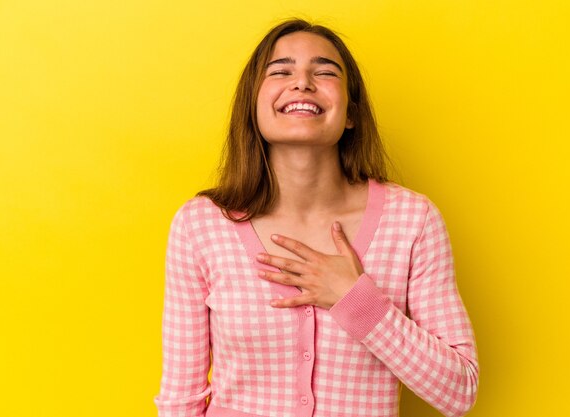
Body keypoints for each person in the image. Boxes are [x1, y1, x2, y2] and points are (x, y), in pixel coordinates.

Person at [154, 18, 478, 417]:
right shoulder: (201, 225)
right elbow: (180, 400)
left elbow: (460, 390)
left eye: (324, 72)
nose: (302, 83)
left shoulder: (413, 221)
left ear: (351, 114)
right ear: (253, 106)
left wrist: (356, 299)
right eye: (281, 71)